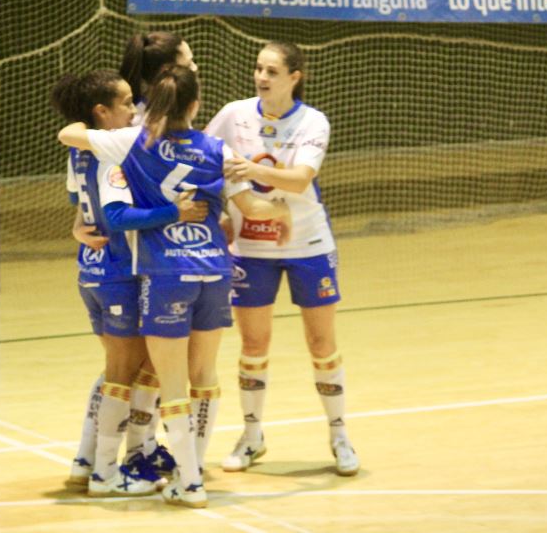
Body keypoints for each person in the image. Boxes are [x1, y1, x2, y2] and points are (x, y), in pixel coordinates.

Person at [58, 65, 291, 508]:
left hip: (160, 273)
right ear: (195, 105)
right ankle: (179, 468)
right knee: (199, 376)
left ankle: (158, 473)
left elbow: (72, 142)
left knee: (153, 379)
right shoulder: (217, 148)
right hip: (212, 271)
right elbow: (255, 207)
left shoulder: (133, 144)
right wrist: (283, 208)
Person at [205, 40, 360, 476]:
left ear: (295, 77)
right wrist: (219, 209)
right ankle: (252, 436)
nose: (262, 77)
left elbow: (299, 180)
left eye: (272, 71)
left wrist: (252, 172)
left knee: (321, 344)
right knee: (254, 345)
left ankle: (339, 435)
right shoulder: (235, 115)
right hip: (251, 249)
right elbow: (201, 159)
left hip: (308, 244)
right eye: (258, 68)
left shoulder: (313, 121)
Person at [53, 69, 208, 497]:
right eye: (124, 103)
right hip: (119, 270)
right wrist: (175, 213)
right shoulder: (115, 152)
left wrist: (78, 227)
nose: (133, 109)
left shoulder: (82, 151)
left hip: (93, 269)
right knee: (122, 372)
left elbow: (79, 207)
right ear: (102, 112)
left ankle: (117, 457)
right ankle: (104, 471)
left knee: (132, 369)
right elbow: (117, 215)